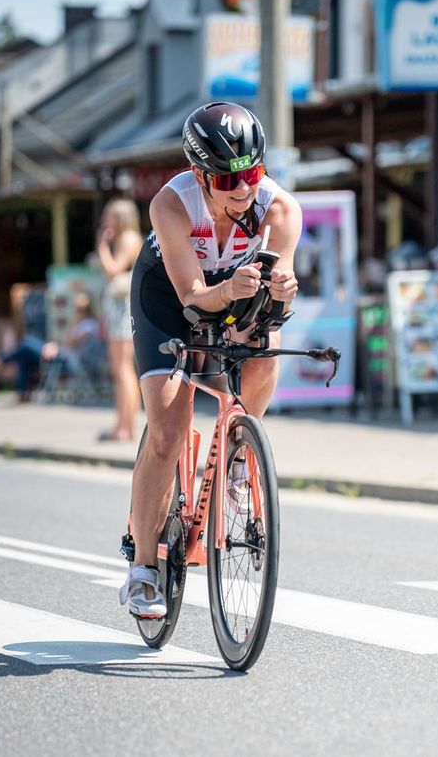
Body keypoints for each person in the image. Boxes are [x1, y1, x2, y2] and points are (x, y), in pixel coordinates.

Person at [119, 102, 302, 618]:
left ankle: (241, 461)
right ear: (199, 176)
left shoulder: (281, 210)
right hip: (169, 299)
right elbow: (192, 296)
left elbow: (278, 298)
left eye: (252, 173)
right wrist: (227, 293)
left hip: (235, 292)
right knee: (168, 427)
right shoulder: (171, 205)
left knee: (264, 354)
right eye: (226, 181)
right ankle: (143, 569)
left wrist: (282, 293)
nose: (242, 189)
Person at [96, 198, 142, 441]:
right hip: (120, 305)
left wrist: (102, 246)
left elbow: (113, 269)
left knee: (122, 369)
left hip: (122, 306)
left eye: (109, 214)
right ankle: (124, 425)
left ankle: (125, 427)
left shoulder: (127, 239)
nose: (106, 220)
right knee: (123, 369)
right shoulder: (131, 238)